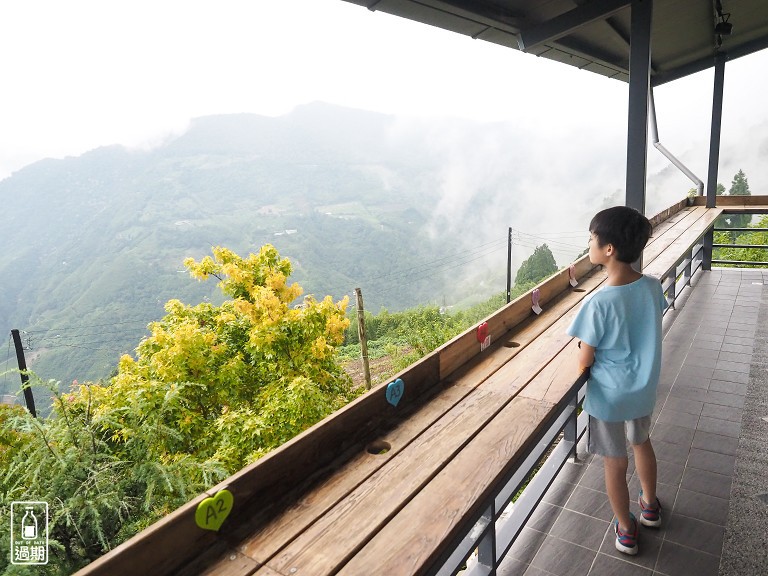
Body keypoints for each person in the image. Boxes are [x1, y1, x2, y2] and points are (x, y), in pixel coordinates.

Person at [567, 205, 667, 556]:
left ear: (608, 249)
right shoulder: (652, 287)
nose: (589, 244)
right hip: (642, 389)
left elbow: (585, 359)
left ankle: (626, 528)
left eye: (592, 239)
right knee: (641, 442)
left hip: (609, 395)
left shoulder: (598, 303)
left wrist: (583, 349)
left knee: (614, 460)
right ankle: (650, 506)